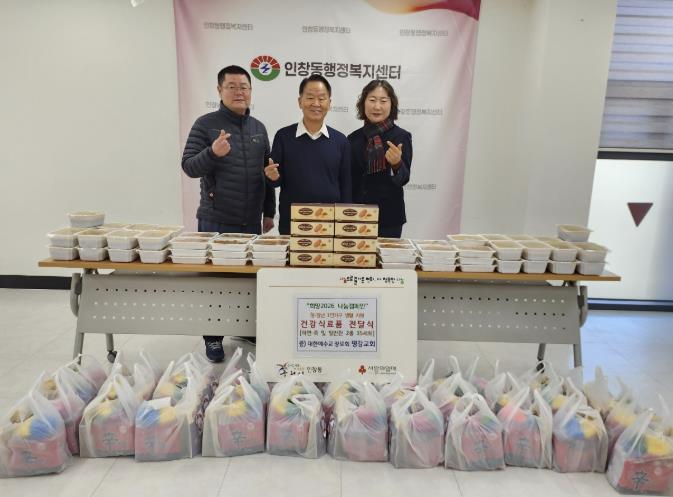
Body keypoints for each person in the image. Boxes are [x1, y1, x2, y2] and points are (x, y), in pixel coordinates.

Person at [181, 65, 276, 363]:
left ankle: (244, 328)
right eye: (232, 86)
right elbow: (189, 166)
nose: (239, 92)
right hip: (216, 218)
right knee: (216, 281)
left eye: (244, 86)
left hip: (251, 219)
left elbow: (267, 173)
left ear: (251, 91)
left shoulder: (259, 128)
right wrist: (213, 153)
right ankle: (213, 338)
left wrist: (269, 211)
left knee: (248, 279)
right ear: (219, 90)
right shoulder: (205, 124)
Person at [265, 75, 351, 234]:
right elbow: (275, 181)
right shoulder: (284, 136)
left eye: (322, 98)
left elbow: (346, 186)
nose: (316, 103)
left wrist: (344, 223)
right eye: (310, 97)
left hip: (329, 225)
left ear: (329, 103)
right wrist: (272, 177)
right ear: (300, 102)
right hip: (292, 223)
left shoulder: (340, 141)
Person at [348, 80, 412, 238]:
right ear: (363, 103)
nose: (377, 106)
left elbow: (403, 178)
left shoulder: (401, 136)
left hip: (388, 218)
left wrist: (397, 164)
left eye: (383, 101)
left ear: (391, 105)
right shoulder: (353, 138)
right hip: (355, 215)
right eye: (372, 100)